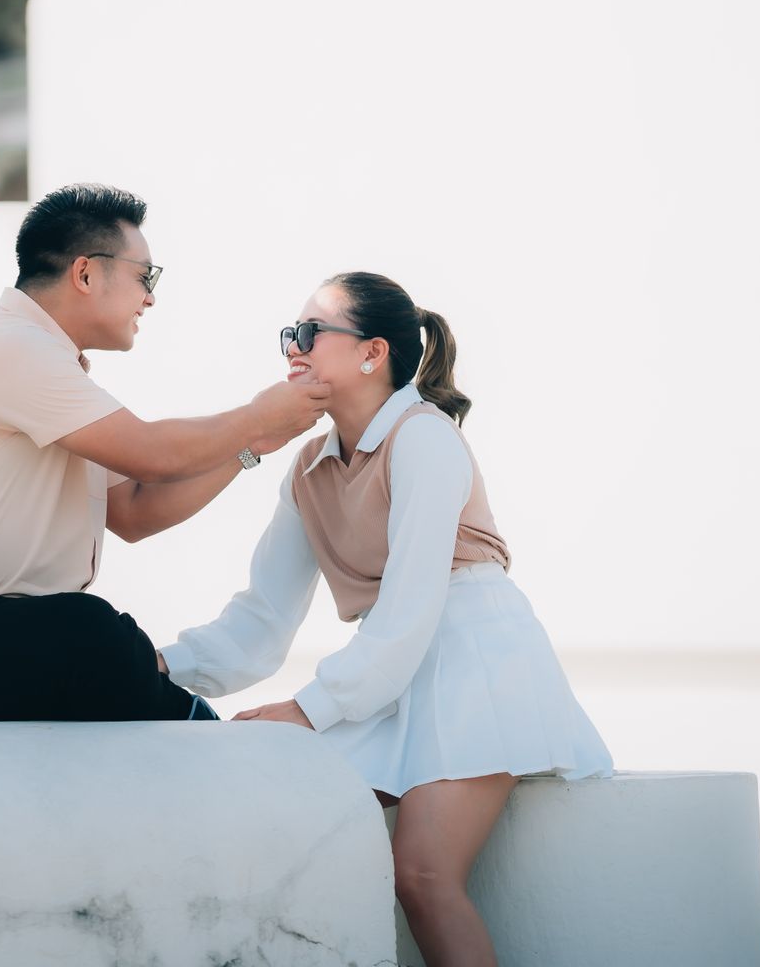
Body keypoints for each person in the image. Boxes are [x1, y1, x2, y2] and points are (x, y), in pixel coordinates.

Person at [158, 271, 613, 967]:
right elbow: (261, 621)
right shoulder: (308, 467)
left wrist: (307, 711)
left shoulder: (424, 437)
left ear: (373, 353)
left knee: (424, 876)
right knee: (293, 826)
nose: (293, 348)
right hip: (391, 671)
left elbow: (410, 609)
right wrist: (153, 667)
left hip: (476, 663)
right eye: (289, 335)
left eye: (310, 332)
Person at [0, 183, 331, 722]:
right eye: (146, 277)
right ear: (86, 274)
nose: (151, 298)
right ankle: (194, 725)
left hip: (6, 637)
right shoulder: (8, 345)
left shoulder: (51, 368)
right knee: (93, 631)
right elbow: (150, 454)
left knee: (94, 633)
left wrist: (249, 447)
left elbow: (135, 511)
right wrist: (257, 416)